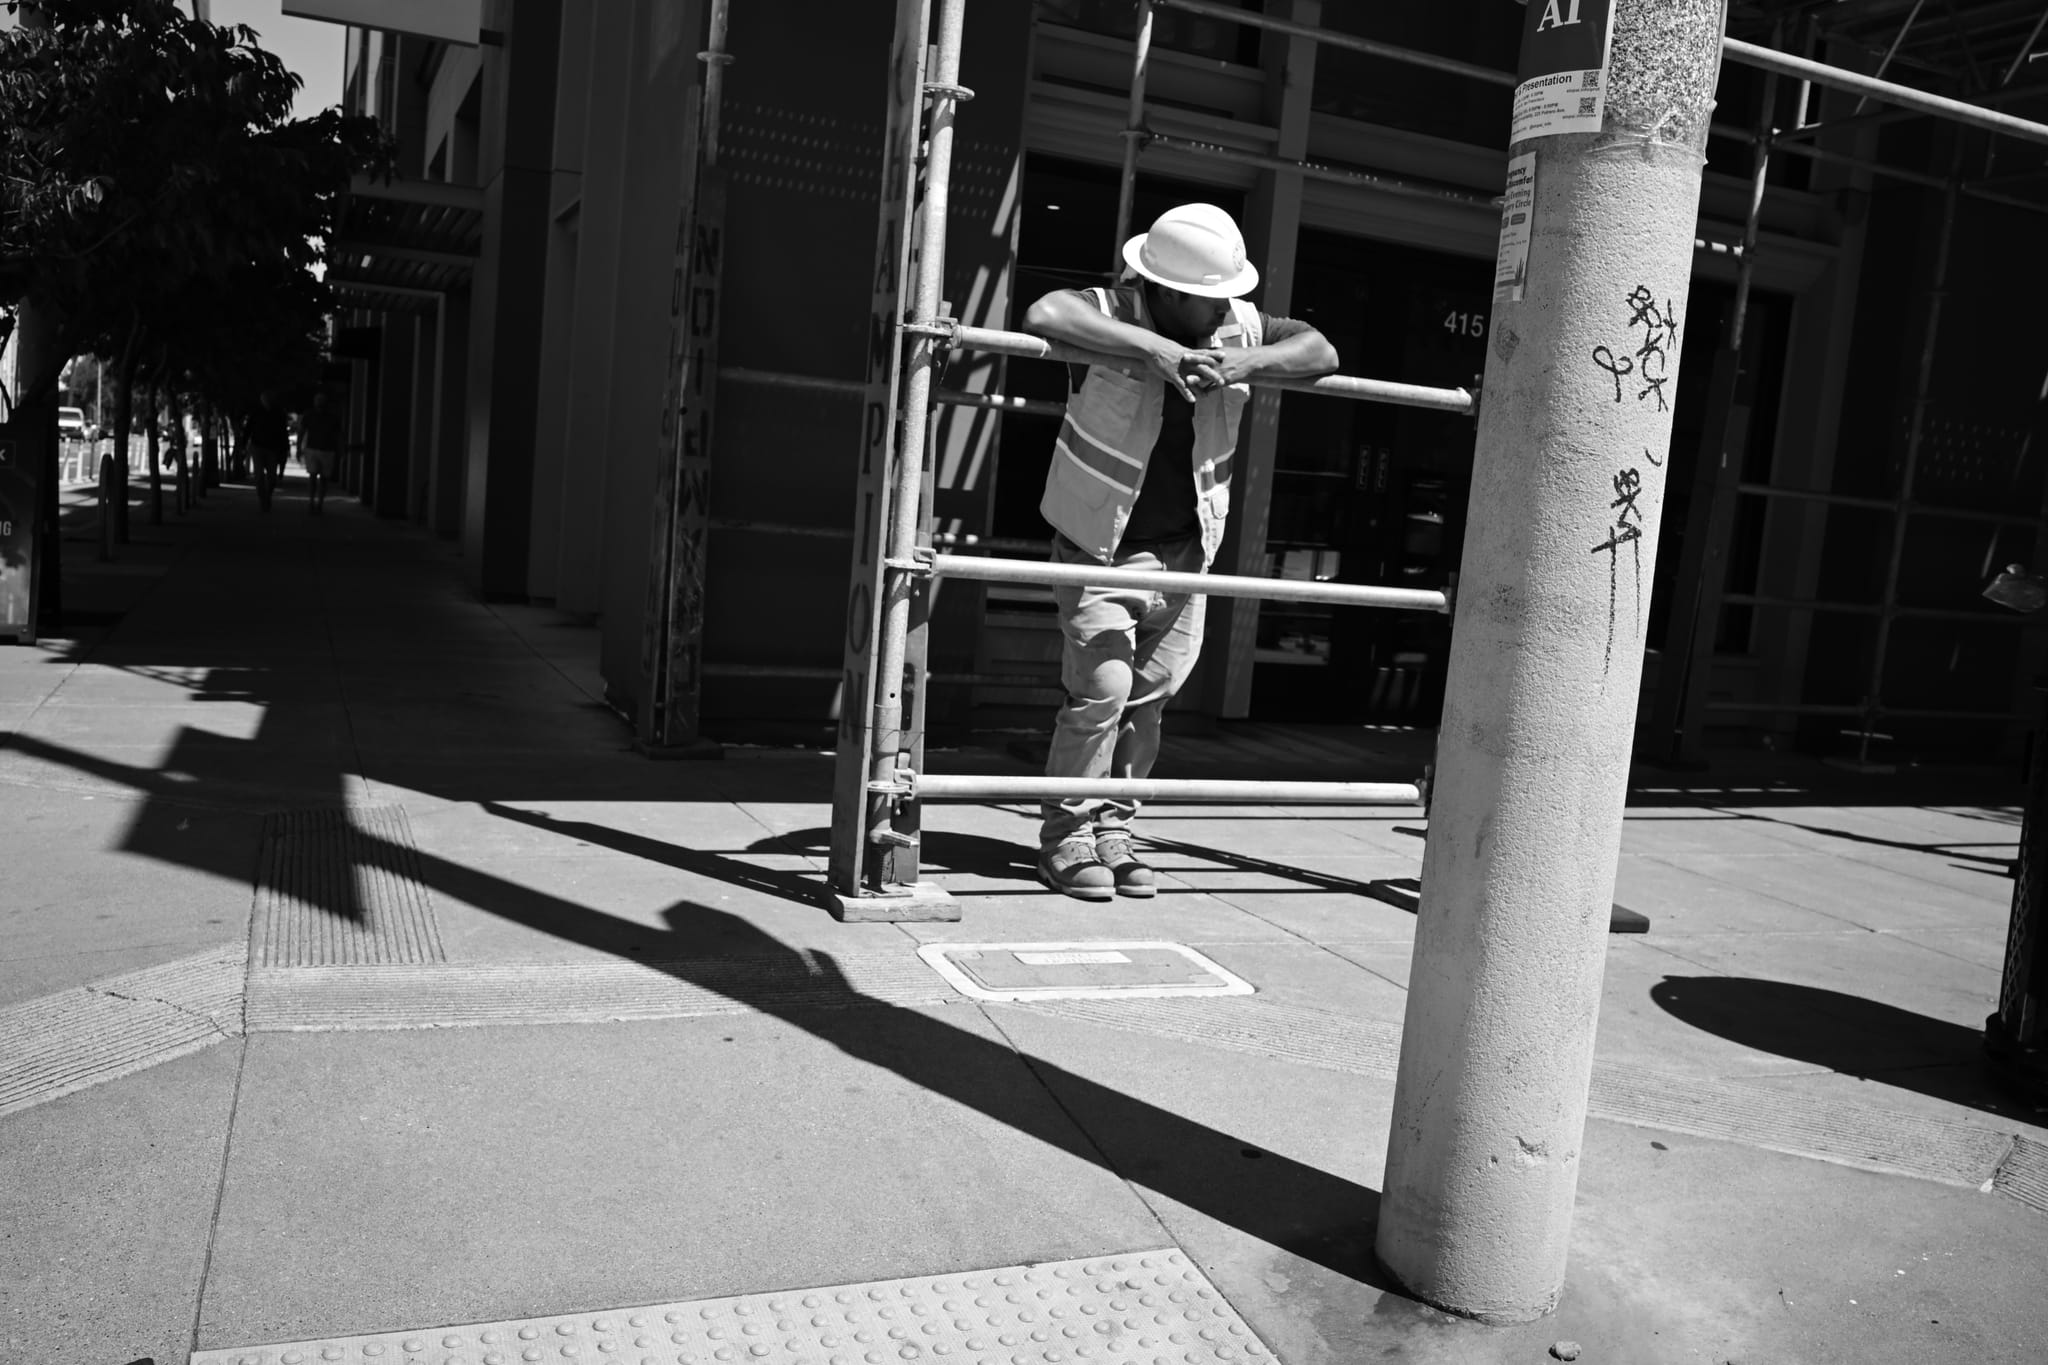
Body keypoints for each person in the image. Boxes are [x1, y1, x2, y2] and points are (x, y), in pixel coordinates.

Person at [1023, 203, 1338, 901]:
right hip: (1099, 549)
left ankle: (1114, 831)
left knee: (1150, 701)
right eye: (1207, 300)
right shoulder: (1108, 307)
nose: (1224, 308)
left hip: (1188, 552)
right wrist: (1154, 351)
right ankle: (1065, 838)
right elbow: (1044, 315)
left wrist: (1243, 363)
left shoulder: (1240, 326)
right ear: (1163, 291)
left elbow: (1321, 351)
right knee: (1100, 693)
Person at [294, 390, 343, 515]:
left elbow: (338, 435)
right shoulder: (309, 415)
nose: (319, 403)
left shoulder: (332, 417)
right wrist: (299, 449)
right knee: (313, 476)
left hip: (327, 450)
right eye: (318, 400)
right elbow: (301, 432)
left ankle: (319, 502)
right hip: (313, 449)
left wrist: (340, 450)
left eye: (321, 401)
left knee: (323, 479)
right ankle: (312, 502)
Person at [246, 392, 290, 512]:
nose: (266, 401)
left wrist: (285, 448)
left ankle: (267, 496)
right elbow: (248, 428)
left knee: (272, 478)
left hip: (272, 448)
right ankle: (263, 499)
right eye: (264, 399)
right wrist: (243, 443)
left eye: (268, 399)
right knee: (259, 476)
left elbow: (283, 432)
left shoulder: (278, 413)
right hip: (257, 447)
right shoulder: (256, 412)